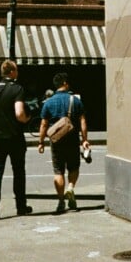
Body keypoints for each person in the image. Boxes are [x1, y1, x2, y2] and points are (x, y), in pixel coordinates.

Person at [0, 59, 32, 221]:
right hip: (14, 136)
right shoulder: (17, 89)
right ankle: (21, 206)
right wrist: (25, 119)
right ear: (11, 72)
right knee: (18, 171)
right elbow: (19, 113)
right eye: (16, 70)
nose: (17, 73)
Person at [38, 72, 91, 214]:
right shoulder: (76, 100)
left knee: (58, 170)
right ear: (65, 84)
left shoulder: (48, 103)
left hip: (56, 141)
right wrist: (84, 140)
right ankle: (71, 187)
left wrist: (41, 141)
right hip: (72, 139)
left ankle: (61, 201)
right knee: (73, 167)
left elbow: (44, 124)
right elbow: (83, 121)